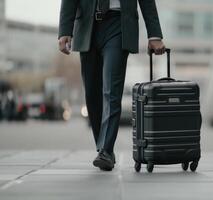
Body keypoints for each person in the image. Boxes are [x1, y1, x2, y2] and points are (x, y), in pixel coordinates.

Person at [58, 0, 166, 171]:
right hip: (87, 25)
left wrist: (154, 35)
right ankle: (103, 148)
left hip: (119, 24)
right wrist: (65, 29)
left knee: (111, 91)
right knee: (92, 95)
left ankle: (106, 151)